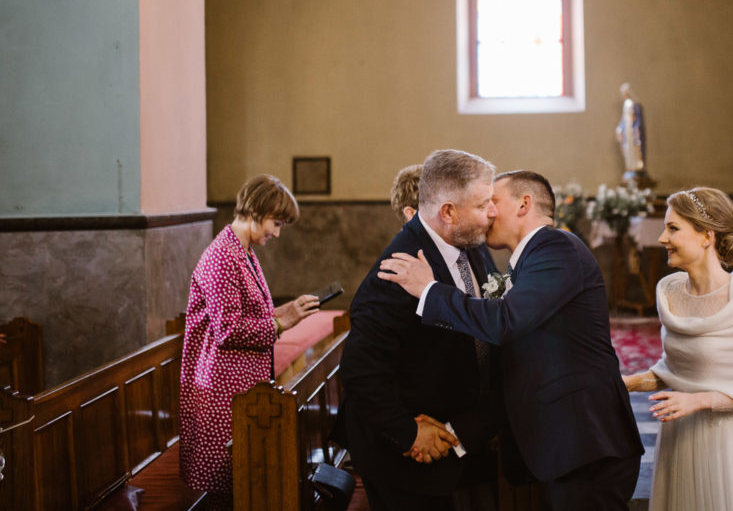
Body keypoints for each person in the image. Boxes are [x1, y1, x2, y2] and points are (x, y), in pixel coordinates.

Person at [381, 170, 644, 511]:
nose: (487, 213)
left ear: (524, 204)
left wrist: (429, 291)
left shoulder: (557, 247)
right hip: (568, 448)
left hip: (585, 444)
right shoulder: (529, 263)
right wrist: (457, 430)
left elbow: (505, 321)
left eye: (494, 202)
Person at [337, 149, 501, 511]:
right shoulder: (398, 270)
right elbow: (361, 370)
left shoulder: (468, 244)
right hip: (403, 460)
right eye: (483, 204)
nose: (493, 212)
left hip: (456, 439)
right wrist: (409, 432)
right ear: (448, 212)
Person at [622, 187, 733, 511]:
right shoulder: (669, 291)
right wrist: (628, 383)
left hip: (723, 440)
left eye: (673, 228)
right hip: (677, 436)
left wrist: (699, 401)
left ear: (707, 236)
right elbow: (674, 368)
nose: (663, 238)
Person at [179, 174, 320, 508]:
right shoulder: (222, 257)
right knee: (227, 480)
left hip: (240, 381)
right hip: (222, 383)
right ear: (256, 212)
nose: (276, 232)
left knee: (244, 474)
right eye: (275, 222)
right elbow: (228, 330)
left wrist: (286, 311)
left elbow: (250, 312)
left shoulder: (242, 252)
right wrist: (281, 322)